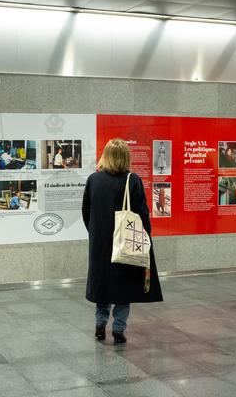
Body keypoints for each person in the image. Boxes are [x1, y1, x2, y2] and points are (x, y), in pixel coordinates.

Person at [82, 138, 163, 344]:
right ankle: (118, 329)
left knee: (103, 286)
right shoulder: (132, 180)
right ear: (126, 157)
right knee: (124, 287)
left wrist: (96, 233)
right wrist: (146, 235)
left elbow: (86, 212)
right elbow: (142, 213)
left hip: (100, 244)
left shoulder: (93, 180)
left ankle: (100, 326)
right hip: (125, 241)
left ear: (106, 156)